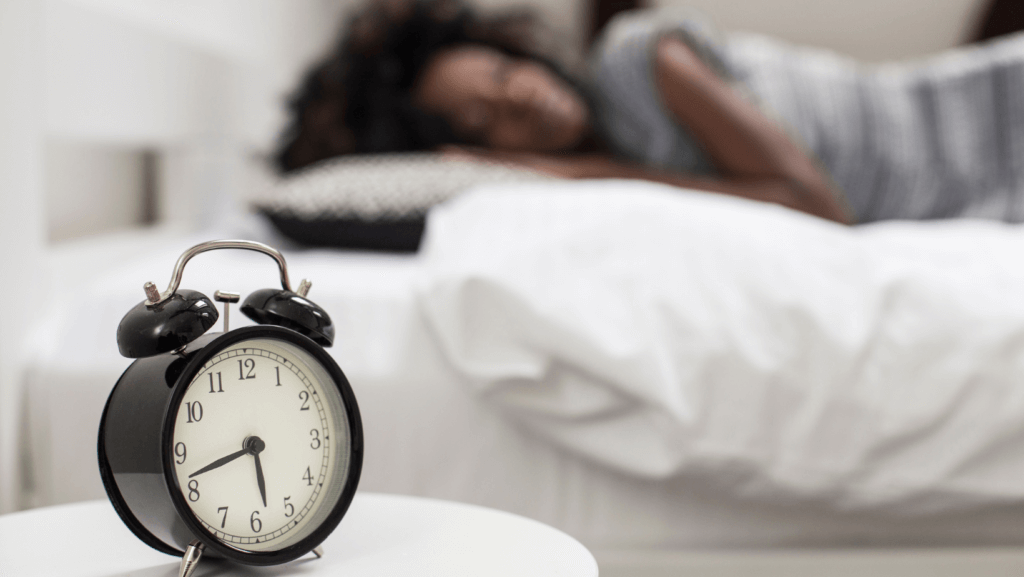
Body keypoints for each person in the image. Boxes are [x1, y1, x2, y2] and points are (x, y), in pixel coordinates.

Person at [274, 0, 1024, 225]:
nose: (522, 94)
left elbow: (814, 204)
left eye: (505, 72)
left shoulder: (637, 59)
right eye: (483, 119)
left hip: (991, 115)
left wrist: (579, 173)